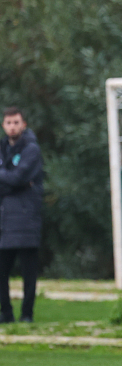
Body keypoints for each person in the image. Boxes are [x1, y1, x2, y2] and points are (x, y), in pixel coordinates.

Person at [0, 107, 44, 323]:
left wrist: (10, 180)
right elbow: (15, 181)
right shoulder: (2, 148)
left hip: (27, 218)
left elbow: (19, 177)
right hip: (4, 220)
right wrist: (13, 182)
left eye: (16, 122)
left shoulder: (31, 150)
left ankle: (27, 315)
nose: (12, 127)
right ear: (3, 125)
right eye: (8, 123)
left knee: (28, 272)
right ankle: (6, 314)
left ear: (23, 124)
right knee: (2, 271)